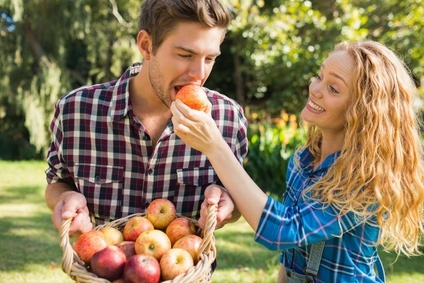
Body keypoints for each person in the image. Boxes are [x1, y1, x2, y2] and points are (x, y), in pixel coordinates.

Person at [171, 40, 424, 282]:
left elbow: (284, 230)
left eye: (333, 88)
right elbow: (291, 252)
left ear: (363, 113)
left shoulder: (366, 180)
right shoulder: (304, 160)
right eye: (319, 76)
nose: (315, 88)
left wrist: (215, 146)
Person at [45, 0, 248, 238]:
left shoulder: (228, 118)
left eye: (210, 59)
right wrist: (65, 197)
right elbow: (58, 181)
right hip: (101, 271)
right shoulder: (76, 110)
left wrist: (227, 205)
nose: (199, 74)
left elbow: (236, 200)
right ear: (146, 45)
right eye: (185, 54)